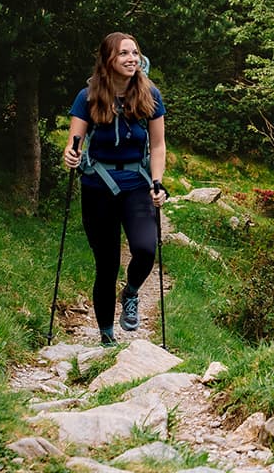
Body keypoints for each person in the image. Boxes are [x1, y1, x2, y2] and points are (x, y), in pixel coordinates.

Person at [62, 31, 167, 345]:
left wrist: (158, 181)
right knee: (106, 265)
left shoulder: (150, 95)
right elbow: (73, 143)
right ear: (108, 59)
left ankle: (132, 291)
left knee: (146, 249)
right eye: (123, 53)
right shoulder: (89, 96)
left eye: (134, 53)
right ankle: (107, 336)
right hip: (97, 187)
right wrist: (71, 155)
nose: (131, 59)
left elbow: (159, 146)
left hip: (136, 184)